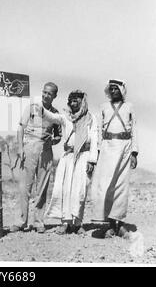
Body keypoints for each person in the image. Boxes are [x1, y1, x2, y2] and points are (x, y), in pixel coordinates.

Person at [41, 90, 98, 234]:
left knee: (80, 190)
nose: (73, 102)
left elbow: (94, 139)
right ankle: (65, 223)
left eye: (76, 99)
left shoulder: (91, 118)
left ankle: (77, 223)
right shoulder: (66, 118)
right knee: (64, 190)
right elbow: (52, 117)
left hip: (84, 156)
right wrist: (39, 106)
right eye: (71, 99)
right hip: (68, 157)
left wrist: (92, 160)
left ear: (82, 101)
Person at [10, 82, 62, 234]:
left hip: (46, 151)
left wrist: (52, 141)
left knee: (42, 187)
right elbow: (20, 128)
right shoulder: (32, 108)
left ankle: (39, 221)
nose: (46, 95)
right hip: (29, 147)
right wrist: (20, 148)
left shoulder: (55, 114)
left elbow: (59, 136)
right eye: (44, 92)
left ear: (54, 96)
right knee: (24, 187)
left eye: (49, 93)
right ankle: (20, 222)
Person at [91, 79, 138, 238]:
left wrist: (134, 153)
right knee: (106, 185)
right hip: (107, 147)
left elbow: (134, 131)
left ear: (122, 90)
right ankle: (110, 225)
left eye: (115, 89)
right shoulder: (103, 107)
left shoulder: (129, 107)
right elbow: (98, 129)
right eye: (110, 89)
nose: (113, 92)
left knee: (121, 185)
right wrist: (97, 150)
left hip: (124, 147)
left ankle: (120, 224)